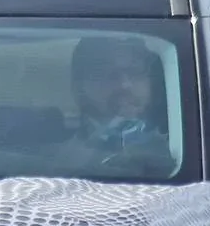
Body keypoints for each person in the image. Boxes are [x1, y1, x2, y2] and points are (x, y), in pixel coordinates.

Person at [69, 34, 174, 176]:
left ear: (152, 83)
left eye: (135, 72)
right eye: (106, 73)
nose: (124, 84)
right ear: (79, 89)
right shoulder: (51, 160)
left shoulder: (188, 146)